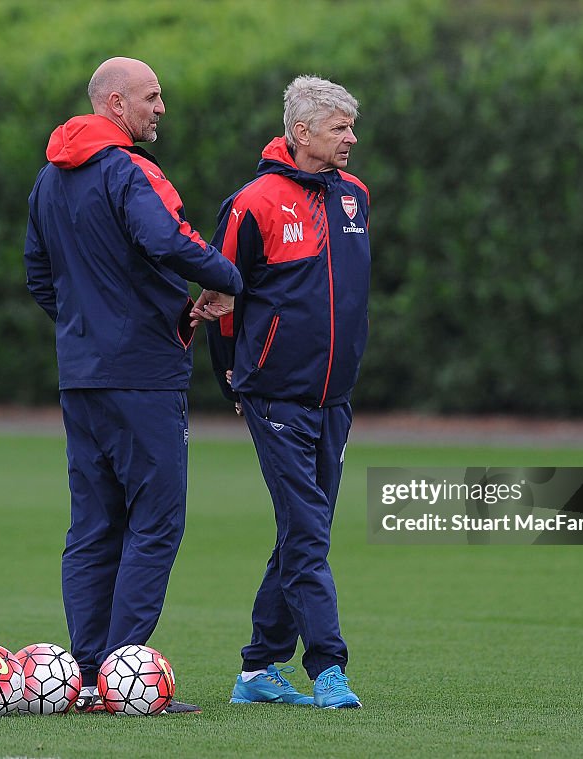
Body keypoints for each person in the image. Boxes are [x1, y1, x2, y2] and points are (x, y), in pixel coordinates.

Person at [24, 57, 242, 715]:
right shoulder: (128, 170)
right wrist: (229, 279)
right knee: (155, 521)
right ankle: (124, 677)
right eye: (152, 97)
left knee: (93, 524)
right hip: (143, 376)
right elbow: (167, 238)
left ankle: (86, 678)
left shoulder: (48, 178)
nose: (161, 108)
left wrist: (86, 330)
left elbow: (40, 275)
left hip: (82, 375)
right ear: (116, 103)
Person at [205, 75, 370, 709]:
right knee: (307, 533)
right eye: (339, 128)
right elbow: (221, 300)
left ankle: (256, 670)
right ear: (301, 133)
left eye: (351, 127)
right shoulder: (254, 203)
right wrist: (233, 376)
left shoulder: (354, 196)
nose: (350, 139)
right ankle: (328, 667)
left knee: (304, 531)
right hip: (272, 395)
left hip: (335, 398)